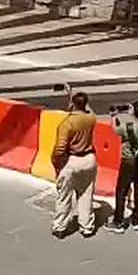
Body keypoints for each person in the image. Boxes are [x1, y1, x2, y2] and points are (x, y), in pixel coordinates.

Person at [50, 91, 98, 238]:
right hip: (89, 159)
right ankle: (87, 227)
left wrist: (56, 163)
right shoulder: (91, 118)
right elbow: (89, 110)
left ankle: (60, 227)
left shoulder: (67, 123)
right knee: (85, 195)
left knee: (64, 196)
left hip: (71, 160)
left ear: (72, 104)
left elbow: (60, 148)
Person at [104, 100, 138, 233]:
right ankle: (137, 220)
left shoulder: (127, 127)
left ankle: (118, 221)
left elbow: (115, 129)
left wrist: (114, 116)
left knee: (122, 191)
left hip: (128, 161)